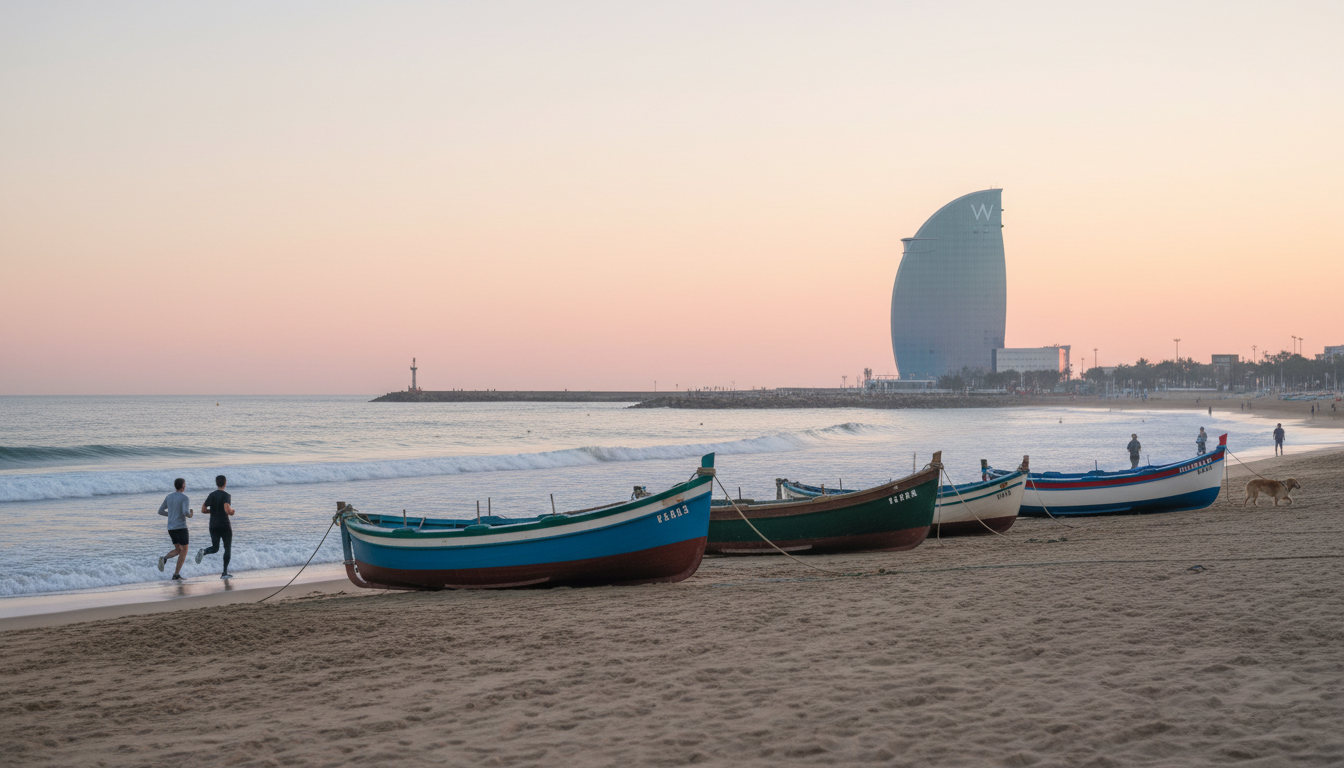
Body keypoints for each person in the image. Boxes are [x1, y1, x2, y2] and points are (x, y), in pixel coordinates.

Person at [196, 474, 236, 579]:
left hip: (213, 525)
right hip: (224, 525)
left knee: (215, 547)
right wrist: (232, 512)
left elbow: (203, 509)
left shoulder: (211, 495)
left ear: (216, 483)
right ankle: (224, 573)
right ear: (225, 483)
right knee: (227, 549)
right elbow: (227, 509)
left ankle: (204, 551)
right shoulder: (226, 495)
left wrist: (213, 511)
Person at [156, 478, 193, 580]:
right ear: (183, 486)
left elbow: (160, 511)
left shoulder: (169, 497)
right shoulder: (184, 498)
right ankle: (176, 574)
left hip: (171, 528)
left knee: (178, 549)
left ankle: (164, 558)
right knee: (184, 550)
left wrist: (171, 515)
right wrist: (190, 515)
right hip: (181, 527)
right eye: (184, 484)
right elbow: (186, 512)